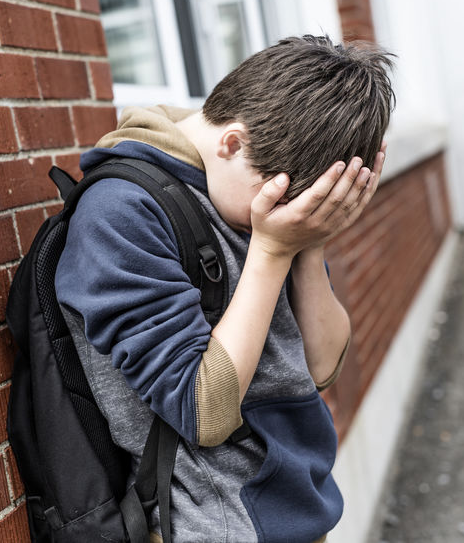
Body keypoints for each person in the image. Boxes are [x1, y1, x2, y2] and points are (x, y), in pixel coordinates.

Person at [54, 35, 394, 543]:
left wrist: (311, 243)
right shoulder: (121, 214)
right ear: (232, 143)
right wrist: (274, 250)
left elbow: (322, 367)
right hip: (216, 525)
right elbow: (201, 410)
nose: (287, 217)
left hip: (297, 505)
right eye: (285, 202)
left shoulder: (267, 193)